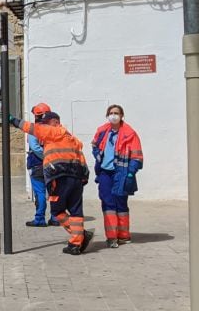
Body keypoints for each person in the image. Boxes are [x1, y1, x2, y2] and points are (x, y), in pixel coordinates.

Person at [9, 111, 93, 254]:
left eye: (45, 123)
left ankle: (79, 236)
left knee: (58, 211)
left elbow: (31, 128)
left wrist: (13, 120)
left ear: (53, 122)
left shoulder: (52, 131)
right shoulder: (71, 138)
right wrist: (84, 178)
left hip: (59, 178)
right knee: (76, 211)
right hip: (76, 178)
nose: (43, 126)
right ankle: (75, 244)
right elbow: (81, 158)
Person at [91, 104, 143, 248]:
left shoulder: (130, 133)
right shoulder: (102, 131)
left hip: (122, 172)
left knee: (121, 203)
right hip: (104, 173)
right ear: (107, 115)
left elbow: (137, 156)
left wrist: (132, 171)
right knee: (108, 203)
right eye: (111, 113)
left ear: (122, 116)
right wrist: (97, 156)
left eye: (116, 113)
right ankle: (112, 237)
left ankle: (124, 236)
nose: (113, 115)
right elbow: (94, 145)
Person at [25, 102, 51, 227]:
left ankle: (40, 218)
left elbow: (35, 148)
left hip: (37, 164)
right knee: (53, 192)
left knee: (40, 192)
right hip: (52, 165)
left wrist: (45, 157)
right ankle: (56, 217)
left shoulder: (33, 130)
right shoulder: (53, 129)